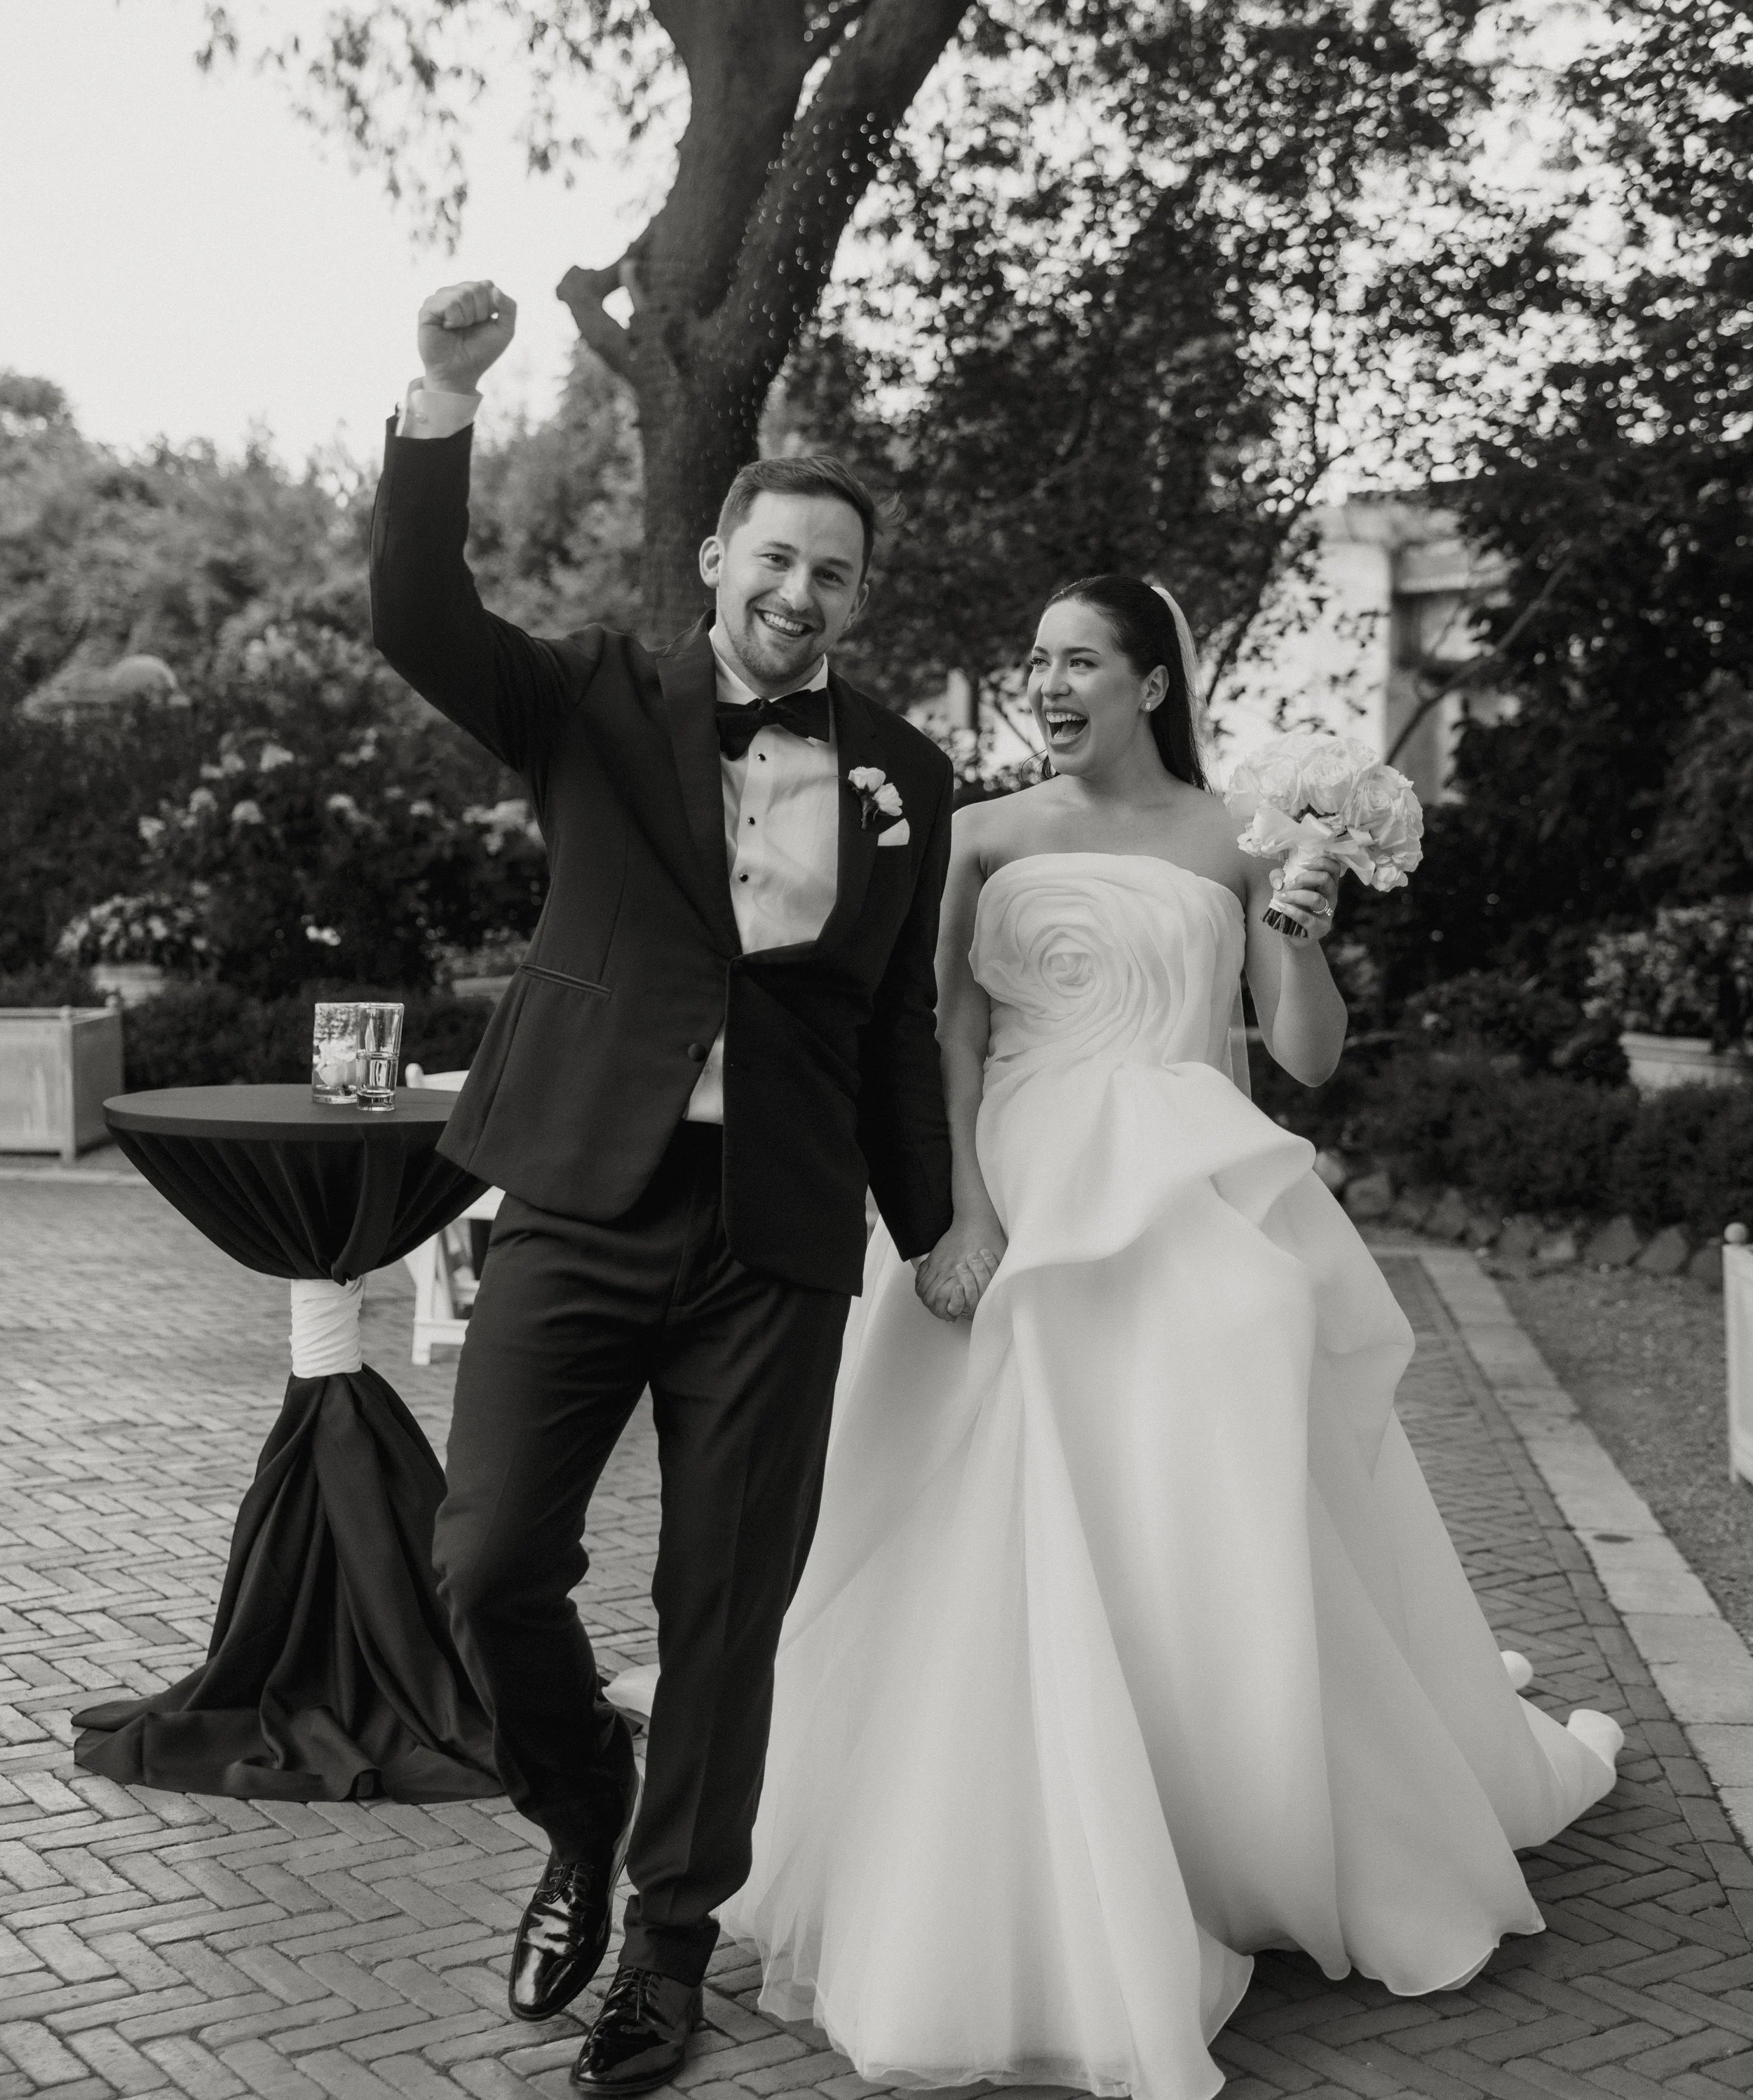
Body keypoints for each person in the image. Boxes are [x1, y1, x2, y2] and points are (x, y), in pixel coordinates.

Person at [723, 574, 1622, 2100]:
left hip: (1192, 1191)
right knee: (982, 1502)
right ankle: (1038, 1831)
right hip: (1013, 1186)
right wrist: (956, 1214)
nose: (1046, 681)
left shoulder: (1235, 838)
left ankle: (1222, 1812)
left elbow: (1305, 1058)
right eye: (1035, 660)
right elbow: (940, 1027)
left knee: (1218, 1436)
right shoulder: (984, 832)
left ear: (1151, 682)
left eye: (1077, 659)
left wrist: (1302, 919)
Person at [370, 281, 986, 2095]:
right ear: (715, 554)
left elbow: (883, 1023)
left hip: (774, 1236)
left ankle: (664, 1945)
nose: (800, 596)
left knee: (723, 1605)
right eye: (775, 559)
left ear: (858, 601)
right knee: (486, 1561)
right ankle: (578, 1806)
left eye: (836, 577)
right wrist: (439, 397)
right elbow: (413, 611)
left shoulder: (903, 770)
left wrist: (930, 1210)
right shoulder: (595, 699)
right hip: (573, 1191)